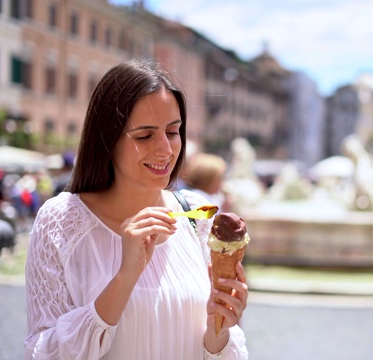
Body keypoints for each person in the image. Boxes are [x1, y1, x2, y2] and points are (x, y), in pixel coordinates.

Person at [24, 59, 249, 359]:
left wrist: (218, 332)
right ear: (107, 139)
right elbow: (43, 352)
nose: (166, 150)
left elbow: (216, 349)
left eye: (173, 131)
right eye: (144, 135)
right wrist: (125, 276)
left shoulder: (198, 216)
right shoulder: (60, 220)